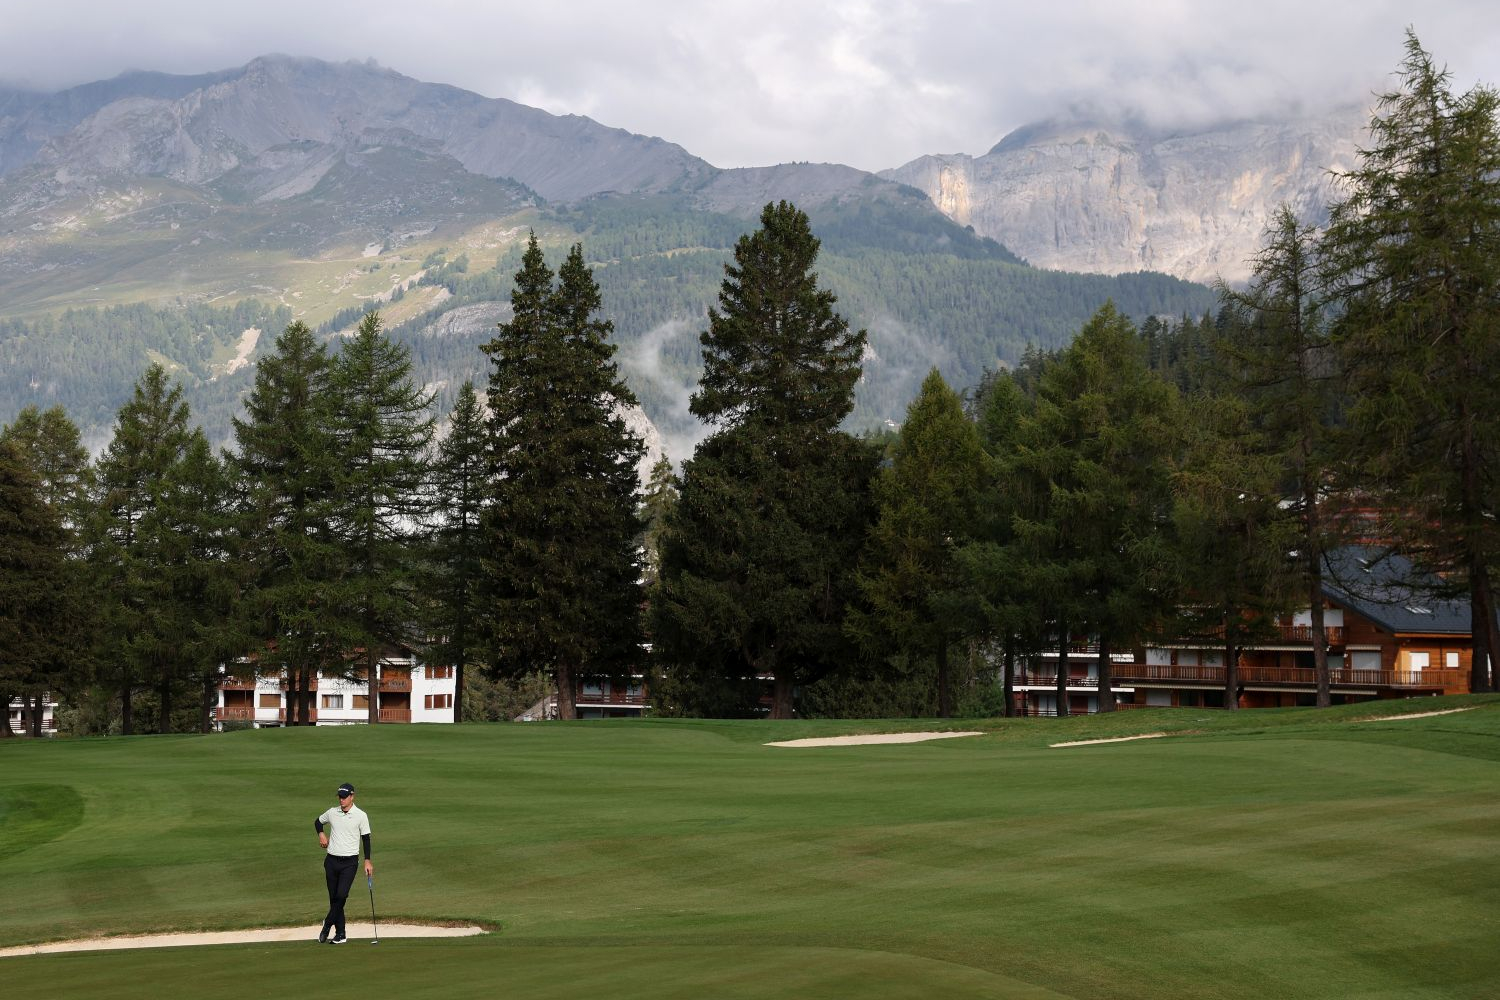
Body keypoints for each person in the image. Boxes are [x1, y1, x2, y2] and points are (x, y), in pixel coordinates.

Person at [314, 782, 373, 944]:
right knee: (334, 899)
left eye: (344, 797)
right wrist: (321, 834)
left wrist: (367, 861)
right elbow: (318, 822)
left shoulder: (361, 815)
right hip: (331, 861)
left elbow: (366, 838)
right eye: (340, 797)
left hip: (349, 862)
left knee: (341, 895)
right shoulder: (332, 813)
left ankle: (327, 924)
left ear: (352, 796)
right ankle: (340, 934)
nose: (341, 800)